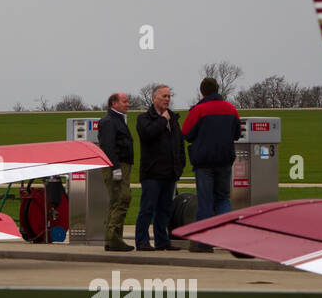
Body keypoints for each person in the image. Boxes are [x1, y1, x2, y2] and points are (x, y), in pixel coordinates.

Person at [182, 77, 242, 246]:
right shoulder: (231, 109)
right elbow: (237, 134)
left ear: (202, 91)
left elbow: (186, 133)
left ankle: (204, 242)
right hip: (225, 160)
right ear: (217, 89)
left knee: (205, 200)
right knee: (223, 199)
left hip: (204, 162)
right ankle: (229, 238)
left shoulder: (199, 110)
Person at [134, 84, 185, 251]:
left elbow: (178, 143)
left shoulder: (174, 119)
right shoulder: (144, 119)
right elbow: (148, 135)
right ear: (154, 98)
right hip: (152, 173)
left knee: (164, 209)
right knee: (147, 208)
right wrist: (163, 120)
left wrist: (180, 164)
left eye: (169, 96)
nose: (167, 99)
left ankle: (162, 241)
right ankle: (142, 241)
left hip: (170, 172)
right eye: (164, 96)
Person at [96, 92, 134, 252]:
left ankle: (112, 239)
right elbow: (108, 146)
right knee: (122, 199)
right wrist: (116, 168)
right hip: (116, 166)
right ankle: (113, 238)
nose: (128, 104)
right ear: (114, 103)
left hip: (120, 165)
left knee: (116, 201)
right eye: (124, 101)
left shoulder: (117, 120)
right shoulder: (109, 121)